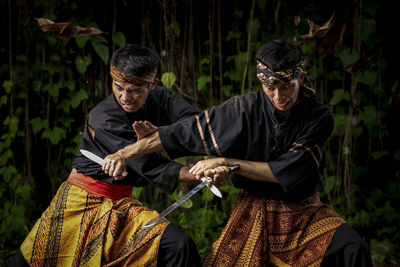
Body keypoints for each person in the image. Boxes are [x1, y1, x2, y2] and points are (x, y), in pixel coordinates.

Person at [102, 40, 373, 266]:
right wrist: (124, 153)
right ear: (260, 81)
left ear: (300, 78)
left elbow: (285, 171)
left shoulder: (318, 117)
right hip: (254, 210)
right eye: (270, 87)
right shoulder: (244, 109)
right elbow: (182, 133)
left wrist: (227, 162)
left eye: (286, 86)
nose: (278, 96)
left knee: (353, 249)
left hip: (304, 212)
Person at [10, 44, 206, 267]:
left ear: (152, 85)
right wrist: (198, 174)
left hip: (120, 204)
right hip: (81, 203)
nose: (125, 97)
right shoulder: (103, 118)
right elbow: (148, 165)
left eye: (134, 90)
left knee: (177, 245)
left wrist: (161, 135)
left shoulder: (161, 97)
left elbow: (196, 122)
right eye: (118, 87)